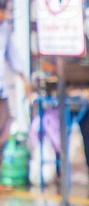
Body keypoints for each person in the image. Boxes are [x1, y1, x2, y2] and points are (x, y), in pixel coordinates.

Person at [0, 1, 31, 142]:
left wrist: (25, 82)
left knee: (4, 131)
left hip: (1, 93)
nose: (7, 15)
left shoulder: (4, 29)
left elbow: (13, 57)